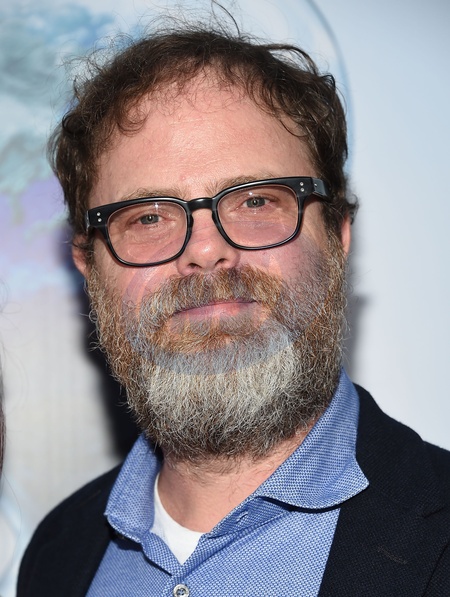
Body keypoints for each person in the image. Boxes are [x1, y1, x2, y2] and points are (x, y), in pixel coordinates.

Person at [17, 22, 450, 597]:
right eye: (149, 217)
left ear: (337, 236)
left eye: (255, 201)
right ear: (89, 268)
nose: (205, 249)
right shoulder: (55, 553)